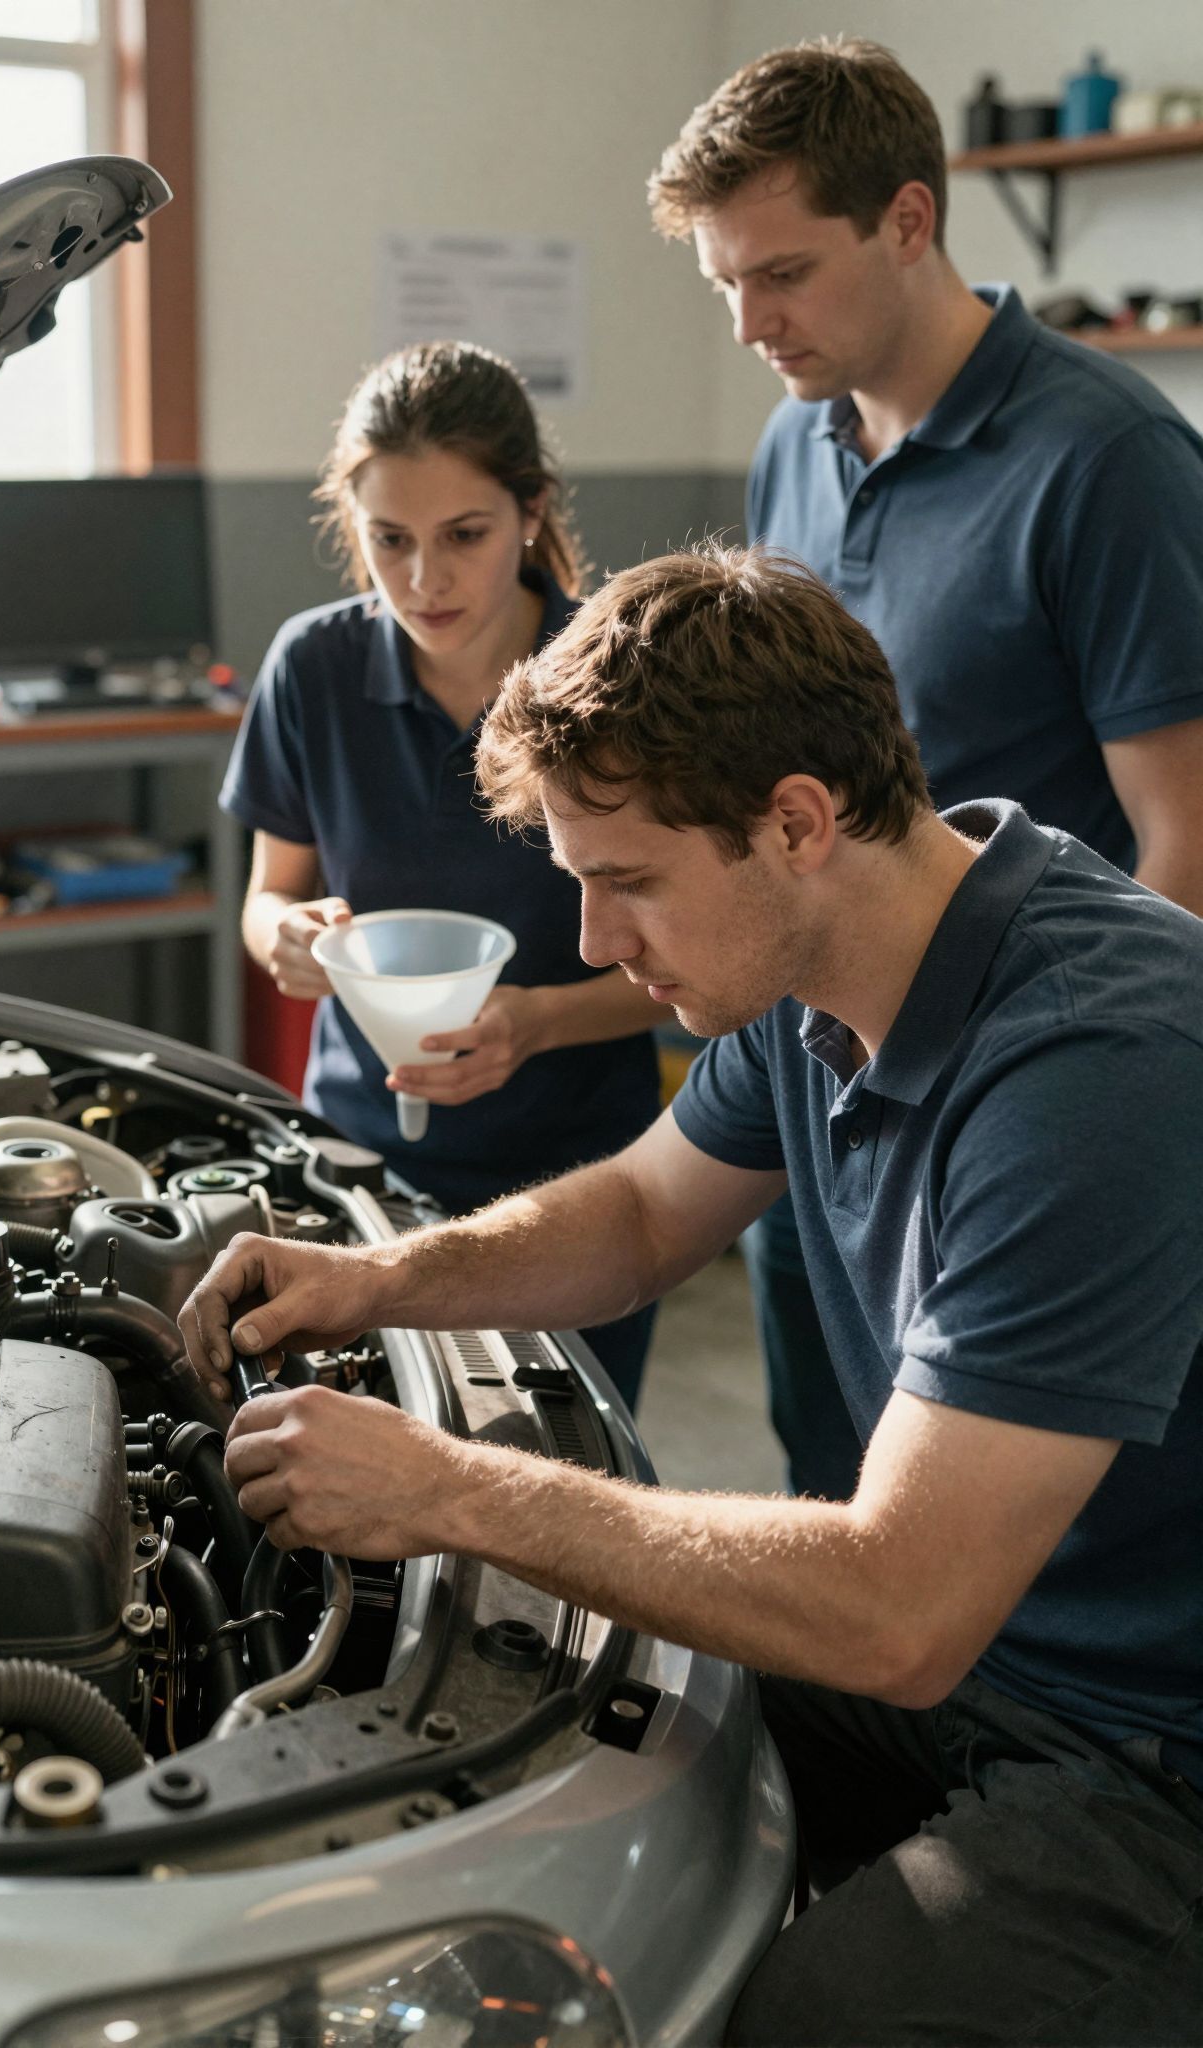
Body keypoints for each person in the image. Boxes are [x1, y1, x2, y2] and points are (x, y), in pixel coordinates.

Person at [182, 546, 1203, 2047]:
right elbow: (645, 1212)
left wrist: (449, 1488)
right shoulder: (820, 966)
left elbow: (901, 1609)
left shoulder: (1096, 1065)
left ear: (796, 821)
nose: (593, 945)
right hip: (1002, 1652)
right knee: (575, 1736)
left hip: (1158, 1743)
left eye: (628, 883)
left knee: (810, 2021)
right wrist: (375, 1281)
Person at [648, 38, 1203, 1501]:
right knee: (825, 1505)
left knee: (1000, 1558)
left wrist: (1096, 1122)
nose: (750, 322)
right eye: (724, 284)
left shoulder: (1109, 459)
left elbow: (1188, 844)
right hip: (821, 1090)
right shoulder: (793, 444)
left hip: (1016, 1128)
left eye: (783, 273)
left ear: (908, 220)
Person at [219, 341, 663, 1405]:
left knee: (555, 1463)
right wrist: (285, 936)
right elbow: (267, 896)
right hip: (360, 1160)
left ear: (530, 509)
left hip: (580, 1178)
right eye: (390, 539)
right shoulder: (313, 669)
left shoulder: (623, 675)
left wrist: (536, 1023)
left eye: (464, 534)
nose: (424, 579)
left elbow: (695, 958)